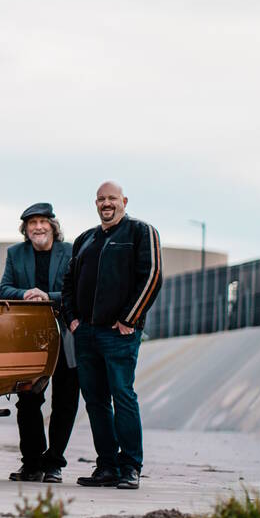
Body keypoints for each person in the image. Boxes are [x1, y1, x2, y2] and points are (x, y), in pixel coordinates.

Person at [62, 182, 162, 490]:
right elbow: (68, 284)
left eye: (112, 199)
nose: (107, 203)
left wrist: (128, 319)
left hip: (119, 333)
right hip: (86, 334)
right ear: (96, 203)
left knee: (123, 395)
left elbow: (152, 276)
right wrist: (73, 321)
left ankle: (130, 466)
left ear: (124, 201)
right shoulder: (85, 239)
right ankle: (106, 466)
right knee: (95, 401)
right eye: (102, 199)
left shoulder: (141, 232)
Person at [0, 203, 79, 483]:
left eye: (43, 222)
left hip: (67, 333)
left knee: (65, 400)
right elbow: (3, 290)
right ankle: (32, 464)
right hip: (31, 337)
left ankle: (54, 463)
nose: (38, 227)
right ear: (26, 229)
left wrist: (49, 296)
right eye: (32, 223)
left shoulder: (70, 252)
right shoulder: (15, 253)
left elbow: (78, 291)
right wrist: (27, 294)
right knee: (29, 400)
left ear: (53, 225)